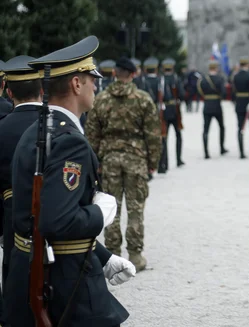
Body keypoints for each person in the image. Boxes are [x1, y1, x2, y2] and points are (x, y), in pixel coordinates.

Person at [6, 36, 135, 327]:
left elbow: (35, 215)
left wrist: (102, 257)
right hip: (63, 282)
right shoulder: (69, 142)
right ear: (77, 84)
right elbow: (57, 221)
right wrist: (100, 212)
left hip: (29, 270)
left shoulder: (37, 129)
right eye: (92, 78)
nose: (96, 85)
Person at [86, 57, 162, 271]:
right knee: (136, 209)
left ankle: (113, 254)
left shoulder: (101, 99)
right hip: (136, 160)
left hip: (109, 160)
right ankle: (136, 256)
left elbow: (92, 133)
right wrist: (152, 162)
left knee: (112, 209)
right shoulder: (143, 99)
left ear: (114, 74)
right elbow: (153, 135)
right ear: (133, 74)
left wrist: (96, 161)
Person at [0, 56, 43, 312]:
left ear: (9, 90)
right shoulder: (59, 126)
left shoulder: (2, 129)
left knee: (13, 269)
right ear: (41, 90)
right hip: (53, 210)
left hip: (11, 211)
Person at [197, 59, 229, 158]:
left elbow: (200, 91)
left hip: (207, 105)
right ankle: (222, 148)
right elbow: (224, 93)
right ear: (216, 68)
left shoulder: (203, 80)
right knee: (221, 127)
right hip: (216, 105)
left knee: (206, 129)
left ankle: (206, 152)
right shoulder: (220, 79)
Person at [161, 57, 185, 168]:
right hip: (175, 110)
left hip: (164, 109)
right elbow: (182, 94)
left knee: (164, 136)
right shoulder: (176, 79)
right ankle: (179, 159)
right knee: (178, 135)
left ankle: (165, 162)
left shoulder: (161, 79)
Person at [233, 57, 249, 159]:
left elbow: (234, 91)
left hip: (239, 103)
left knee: (240, 128)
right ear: (247, 65)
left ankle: (241, 152)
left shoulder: (235, 76)